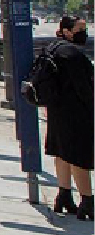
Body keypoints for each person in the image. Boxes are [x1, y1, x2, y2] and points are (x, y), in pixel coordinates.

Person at [45, 15, 93, 218]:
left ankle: (64, 195)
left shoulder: (53, 48)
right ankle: (88, 201)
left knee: (61, 152)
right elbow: (85, 89)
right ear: (66, 31)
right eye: (79, 29)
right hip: (76, 112)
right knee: (78, 156)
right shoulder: (73, 55)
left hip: (56, 110)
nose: (83, 33)